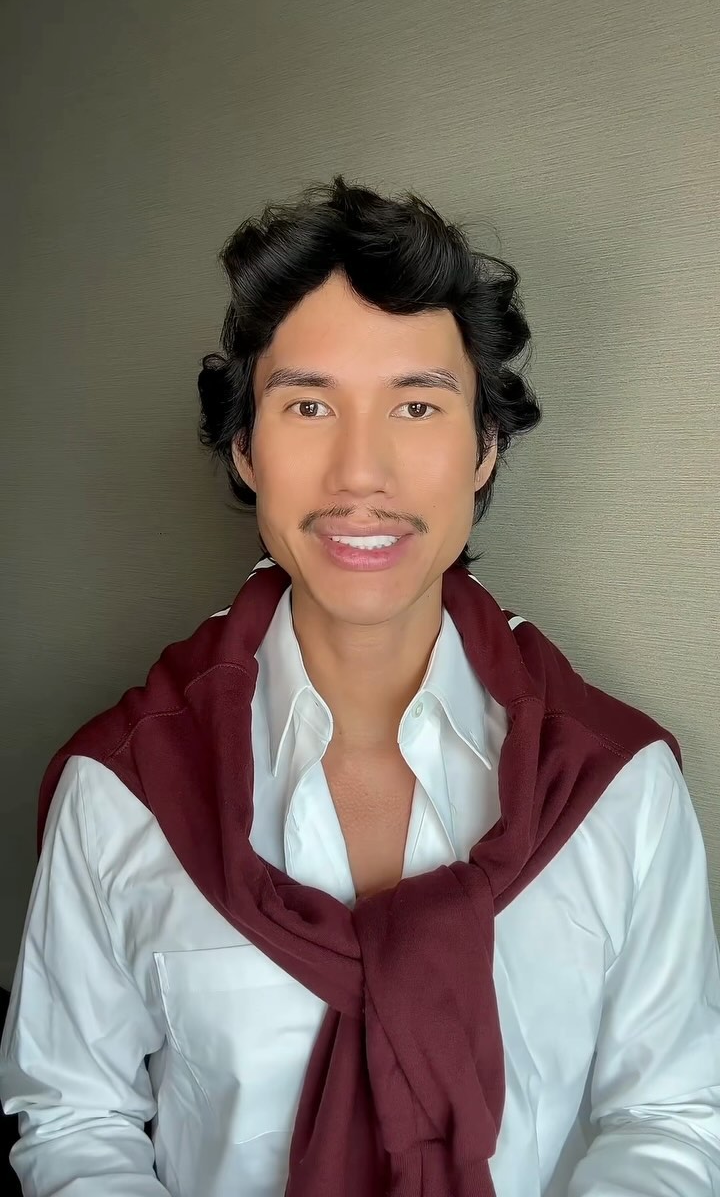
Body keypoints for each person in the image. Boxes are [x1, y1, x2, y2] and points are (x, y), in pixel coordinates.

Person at [1, 175, 720, 1197]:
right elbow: (76, 1115)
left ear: (485, 447)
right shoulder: (122, 790)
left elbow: (670, 1114)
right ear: (246, 447)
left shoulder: (619, 786)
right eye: (308, 405)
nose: (360, 473)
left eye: (417, 405)